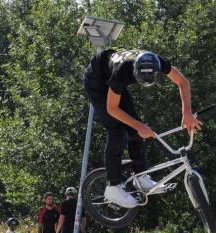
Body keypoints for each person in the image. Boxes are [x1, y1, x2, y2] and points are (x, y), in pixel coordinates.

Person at [83, 49, 202, 208]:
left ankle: (140, 177)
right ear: (134, 71)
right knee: (117, 130)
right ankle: (112, 187)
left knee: (135, 125)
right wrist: (139, 126)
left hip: (112, 79)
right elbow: (112, 108)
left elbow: (182, 81)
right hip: (96, 80)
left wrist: (187, 112)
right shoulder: (122, 73)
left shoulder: (157, 61)